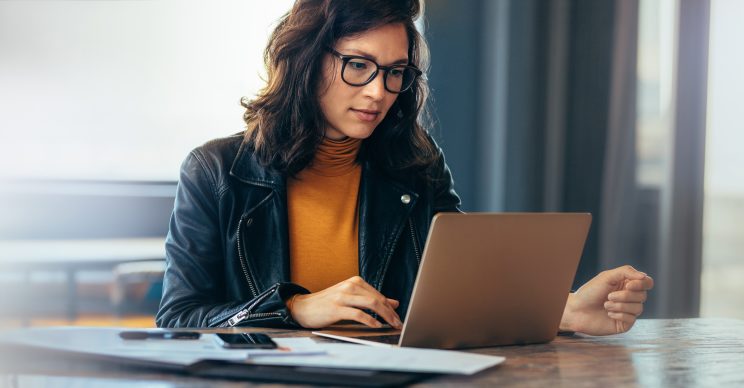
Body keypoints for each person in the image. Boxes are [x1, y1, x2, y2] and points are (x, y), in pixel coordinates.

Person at [155, 0, 654, 336]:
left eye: (395, 72)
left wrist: (562, 310)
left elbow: (460, 291)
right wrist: (293, 309)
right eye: (358, 65)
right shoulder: (216, 170)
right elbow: (178, 319)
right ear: (305, 59)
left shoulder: (415, 163)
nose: (378, 91)